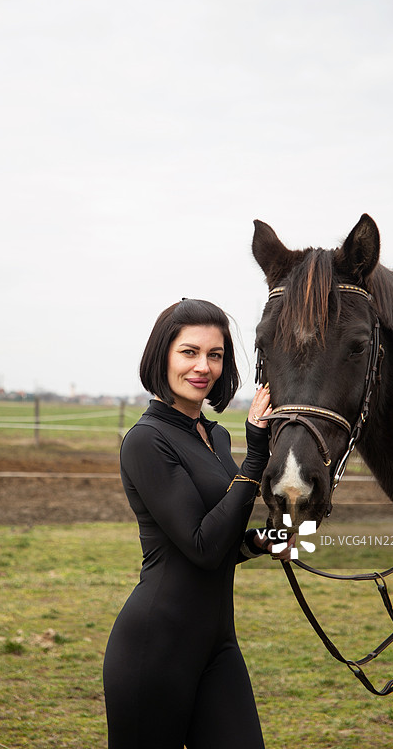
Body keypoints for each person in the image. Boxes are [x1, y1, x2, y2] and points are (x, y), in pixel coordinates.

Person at [103, 298, 294, 749]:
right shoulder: (146, 441)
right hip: (155, 649)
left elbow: (221, 540)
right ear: (162, 357)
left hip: (217, 645)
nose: (203, 366)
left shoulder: (216, 436)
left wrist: (258, 543)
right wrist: (257, 457)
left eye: (215, 354)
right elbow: (201, 546)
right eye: (189, 352)